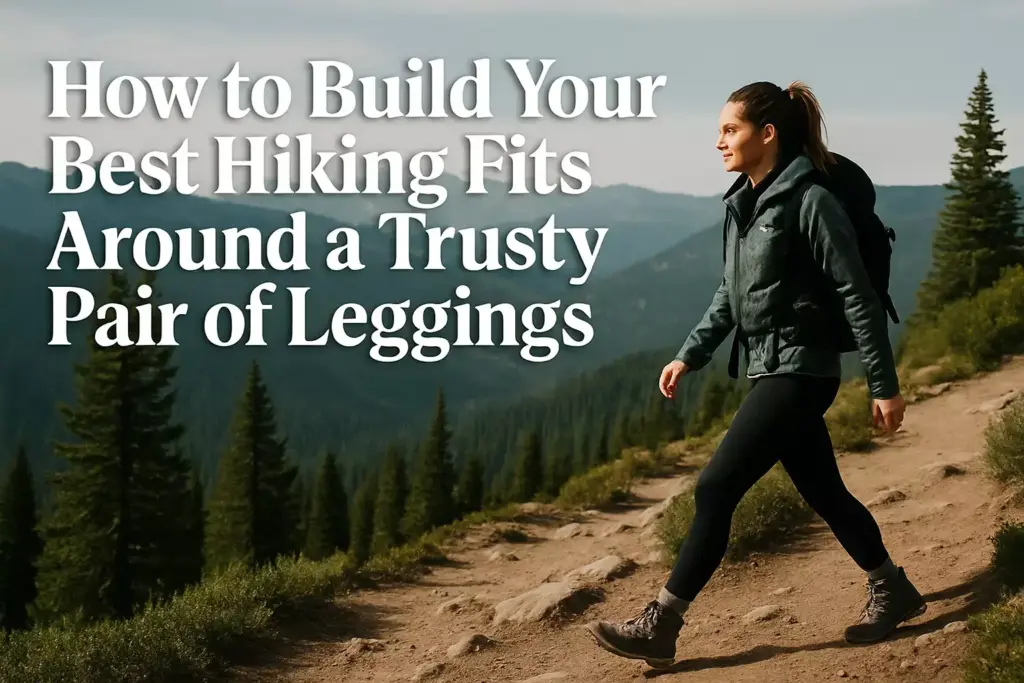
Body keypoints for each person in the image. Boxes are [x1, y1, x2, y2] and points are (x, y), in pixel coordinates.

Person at [584, 80, 926, 669]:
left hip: (802, 370)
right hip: (771, 367)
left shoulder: (810, 201)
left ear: (767, 134)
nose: (718, 142)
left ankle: (661, 624)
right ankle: (892, 586)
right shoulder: (744, 201)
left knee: (715, 488)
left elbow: (858, 294)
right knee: (824, 490)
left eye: (730, 130)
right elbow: (730, 292)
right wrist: (689, 354)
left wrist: (883, 384)